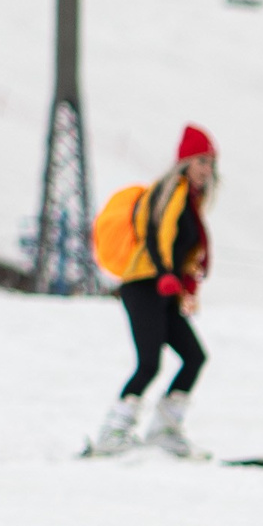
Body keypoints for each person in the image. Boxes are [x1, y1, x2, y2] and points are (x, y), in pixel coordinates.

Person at [89, 126, 218, 461]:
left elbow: (186, 251)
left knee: (194, 357)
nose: (207, 170)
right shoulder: (171, 191)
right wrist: (163, 274)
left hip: (164, 289)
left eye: (211, 163)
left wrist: (185, 284)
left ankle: (164, 431)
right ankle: (111, 434)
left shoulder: (193, 202)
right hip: (144, 285)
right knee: (149, 364)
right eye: (201, 161)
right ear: (186, 162)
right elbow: (155, 234)